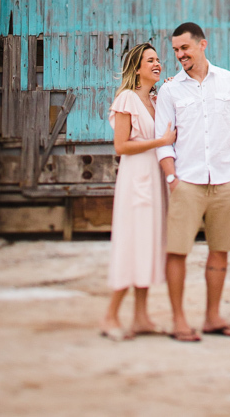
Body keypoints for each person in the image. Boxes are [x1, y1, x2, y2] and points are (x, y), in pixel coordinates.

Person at [154, 22, 230, 342]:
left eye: (185, 48)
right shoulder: (170, 90)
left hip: (226, 181)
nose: (180, 55)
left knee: (220, 250)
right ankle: (179, 319)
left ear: (202, 45)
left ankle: (212, 317)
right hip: (187, 182)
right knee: (177, 252)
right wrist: (172, 178)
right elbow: (163, 140)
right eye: (175, 50)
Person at [100, 43, 176, 341]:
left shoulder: (157, 100)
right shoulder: (127, 99)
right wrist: (160, 142)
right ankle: (110, 316)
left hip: (155, 179)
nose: (157, 63)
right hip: (136, 180)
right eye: (150, 60)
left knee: (148, 245)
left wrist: (174, 89)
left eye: (158, 59)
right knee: (132, 245)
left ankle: (142, 317)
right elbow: (121, 147)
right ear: (137, 68)